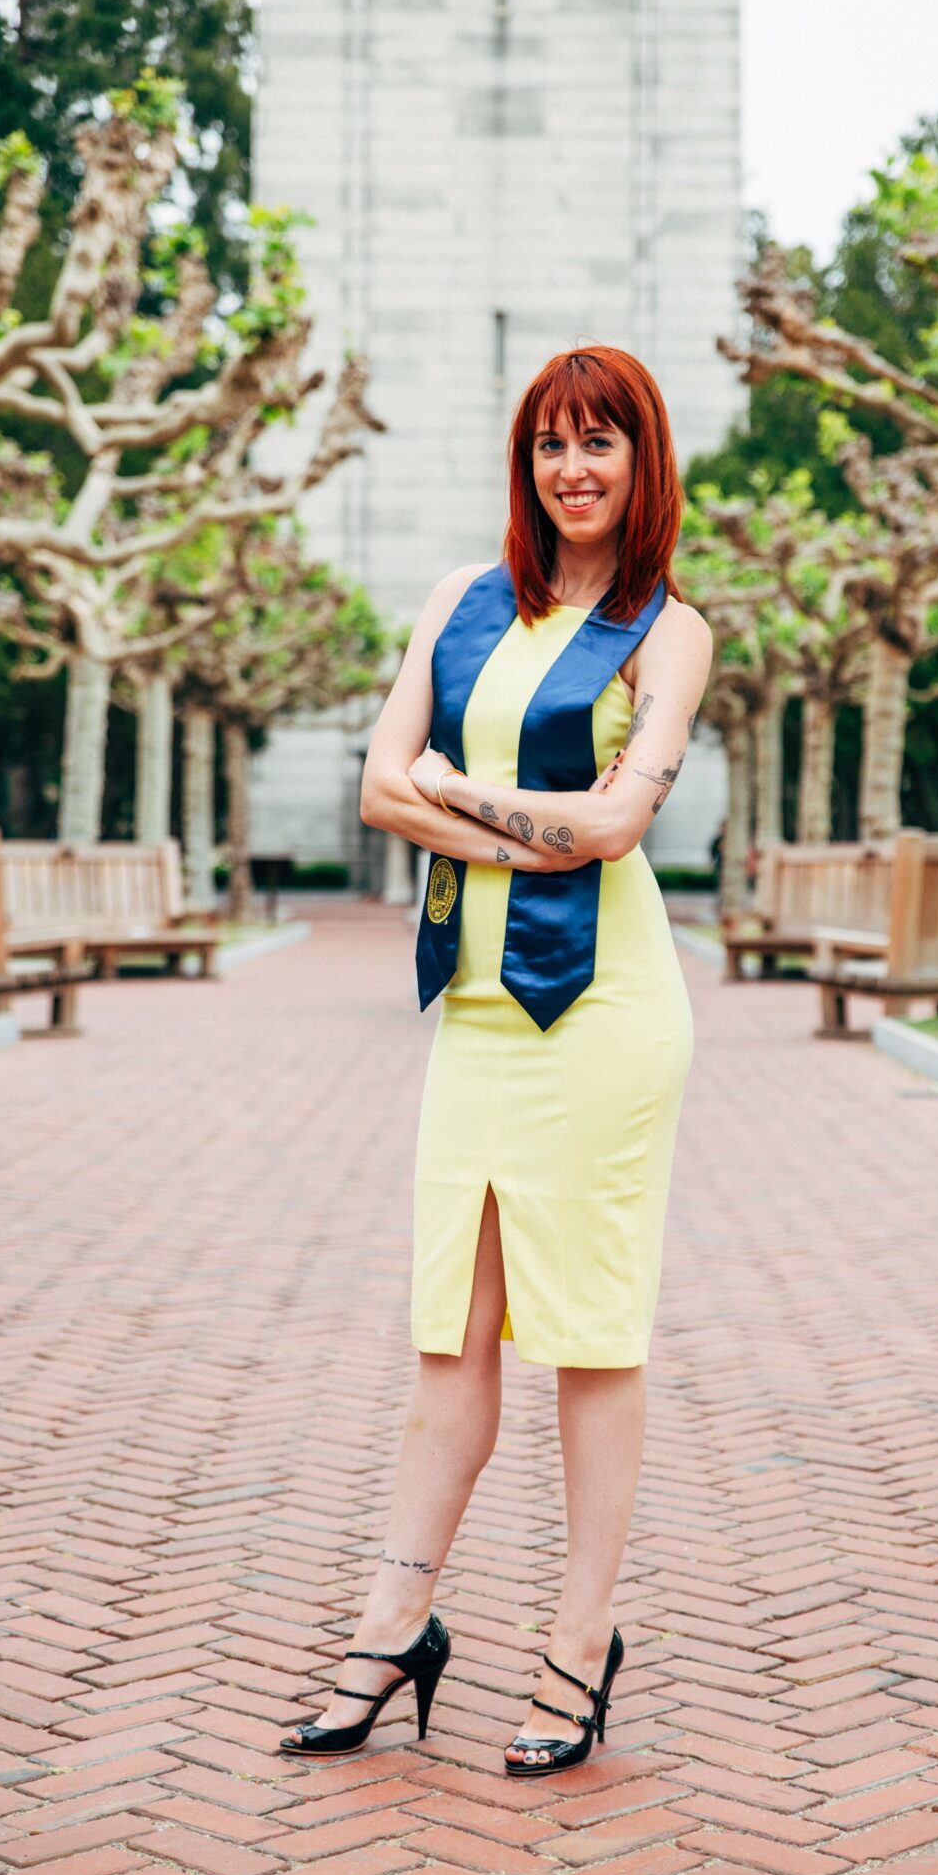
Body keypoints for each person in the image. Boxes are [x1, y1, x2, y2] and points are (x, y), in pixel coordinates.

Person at [279, 345, 712, 1776]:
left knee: (589, 1332)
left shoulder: (668, 633)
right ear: (525, 463)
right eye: (550, 445)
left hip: (602, 1016)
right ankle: (394, 1624)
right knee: (448, 1337)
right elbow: (376, 787)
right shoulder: (462, 601)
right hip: (475, 1010)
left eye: (601, 443)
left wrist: (456, 798)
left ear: (644, 462)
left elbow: (616, 831)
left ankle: (581, 1644)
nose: (573, 470)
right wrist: (526, 823)